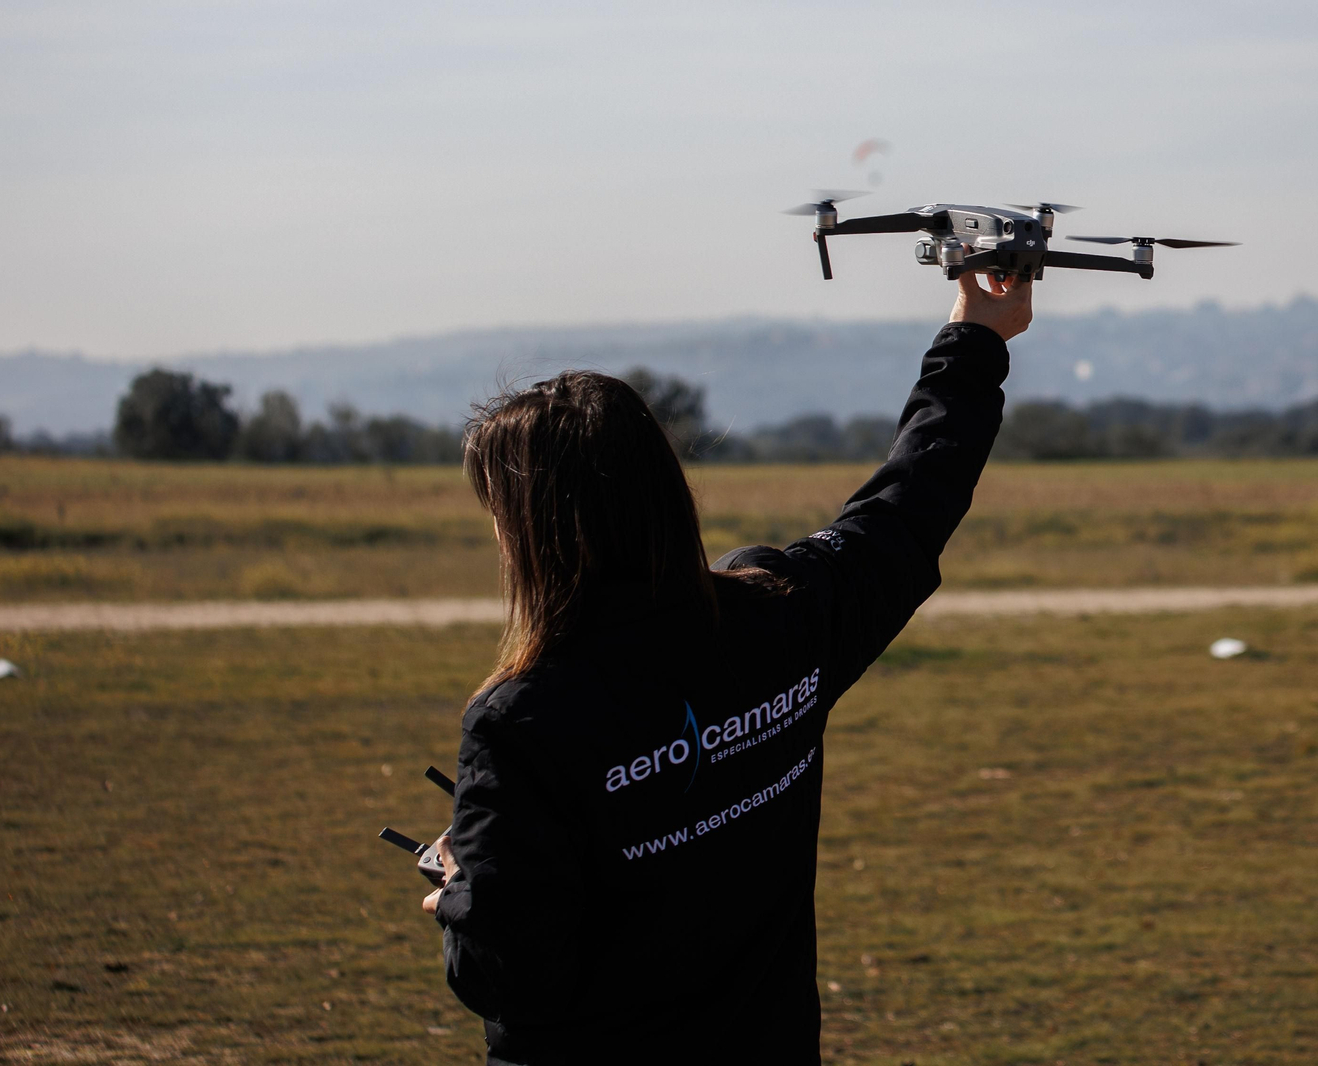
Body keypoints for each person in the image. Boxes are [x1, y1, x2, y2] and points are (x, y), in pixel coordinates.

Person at [423, 270, 1032, 1064]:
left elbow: (509, 973)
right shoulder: (779, 615)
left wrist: (463, 894)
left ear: (534, 535)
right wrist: (976, 336)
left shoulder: (521, 725)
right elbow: (909, 505)